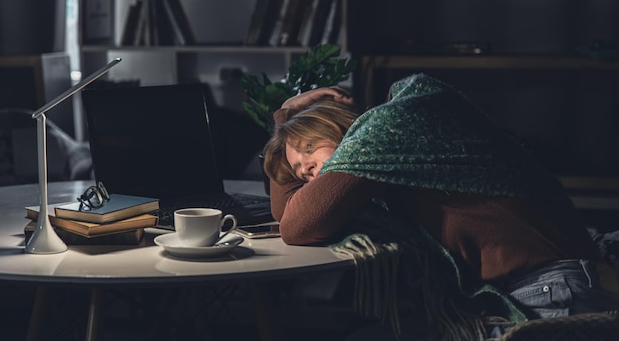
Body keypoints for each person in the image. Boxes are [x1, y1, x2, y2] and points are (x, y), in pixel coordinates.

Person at [263, 74, 619, 340]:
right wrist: (283, 125)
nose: (307, 169)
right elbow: (289, 214)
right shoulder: (389, 160)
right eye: (299, 172)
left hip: (551, 296)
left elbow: (297, 224)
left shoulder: (389, 128)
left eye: (310, 148)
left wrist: (287, 120)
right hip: (540, 291)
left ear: (337, 125)